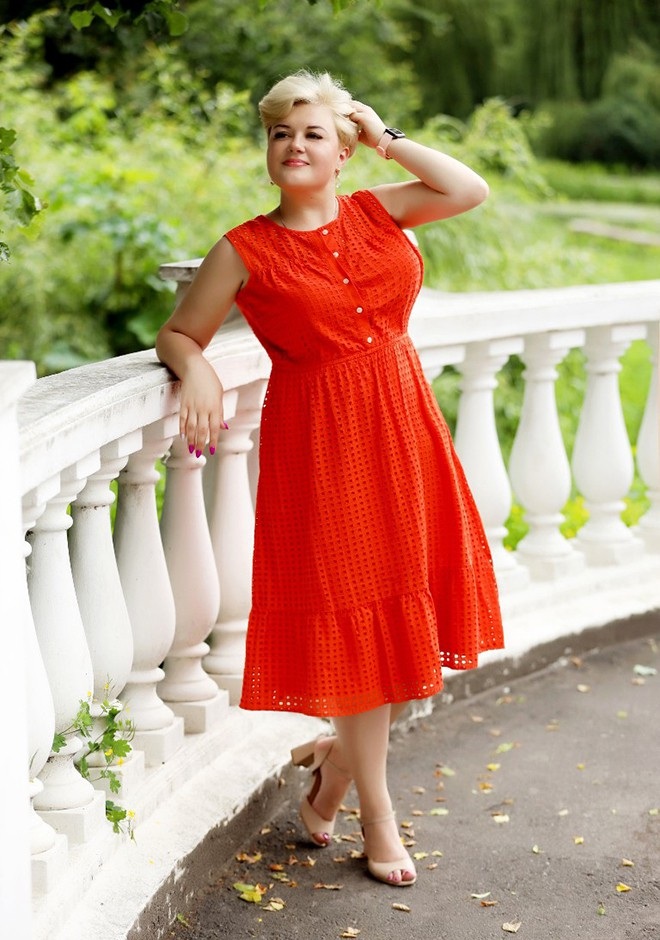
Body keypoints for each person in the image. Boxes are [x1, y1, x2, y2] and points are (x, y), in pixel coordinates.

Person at [156, 70, 504, 888]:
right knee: (359, 628)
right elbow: (179, 333)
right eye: (280, 133)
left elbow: (469, 189)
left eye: (313, 133)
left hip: (405, 429)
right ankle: (377, 815)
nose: (294, 145)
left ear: (343, 152)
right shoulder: (244, 249)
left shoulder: (380, 210)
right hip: (321, 449)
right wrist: (196, 369)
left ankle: (334, 764)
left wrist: (384, 134)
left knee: (408, 620)